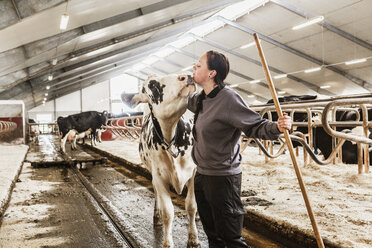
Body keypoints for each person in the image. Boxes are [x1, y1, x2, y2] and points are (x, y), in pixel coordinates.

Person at [187, 50, 292, 248]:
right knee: (213, 237)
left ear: (212, 73)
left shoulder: (228, 99)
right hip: (202, 176)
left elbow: (255, 125)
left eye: (199, 65)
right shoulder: (201, 99)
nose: (194, 67)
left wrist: (277, 127)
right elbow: (183, 100)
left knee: (231, 239)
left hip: (223, 179)